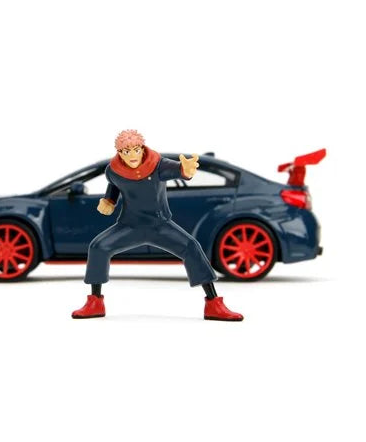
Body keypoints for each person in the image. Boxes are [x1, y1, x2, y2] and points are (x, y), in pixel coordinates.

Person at [72, 129, 243, 321]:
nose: (132, 155)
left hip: (160, 225)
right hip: (130, 226)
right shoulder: (113, 170)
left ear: (142, 148)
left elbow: (177, 169)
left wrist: (185, 170)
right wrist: (109, 201)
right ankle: (95, 302)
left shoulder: (157, 165)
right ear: (119, 153)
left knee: (191, 247)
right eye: (126, 151)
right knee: (98, 247)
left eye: (136, 150)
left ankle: (213, 303)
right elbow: (115, 185)